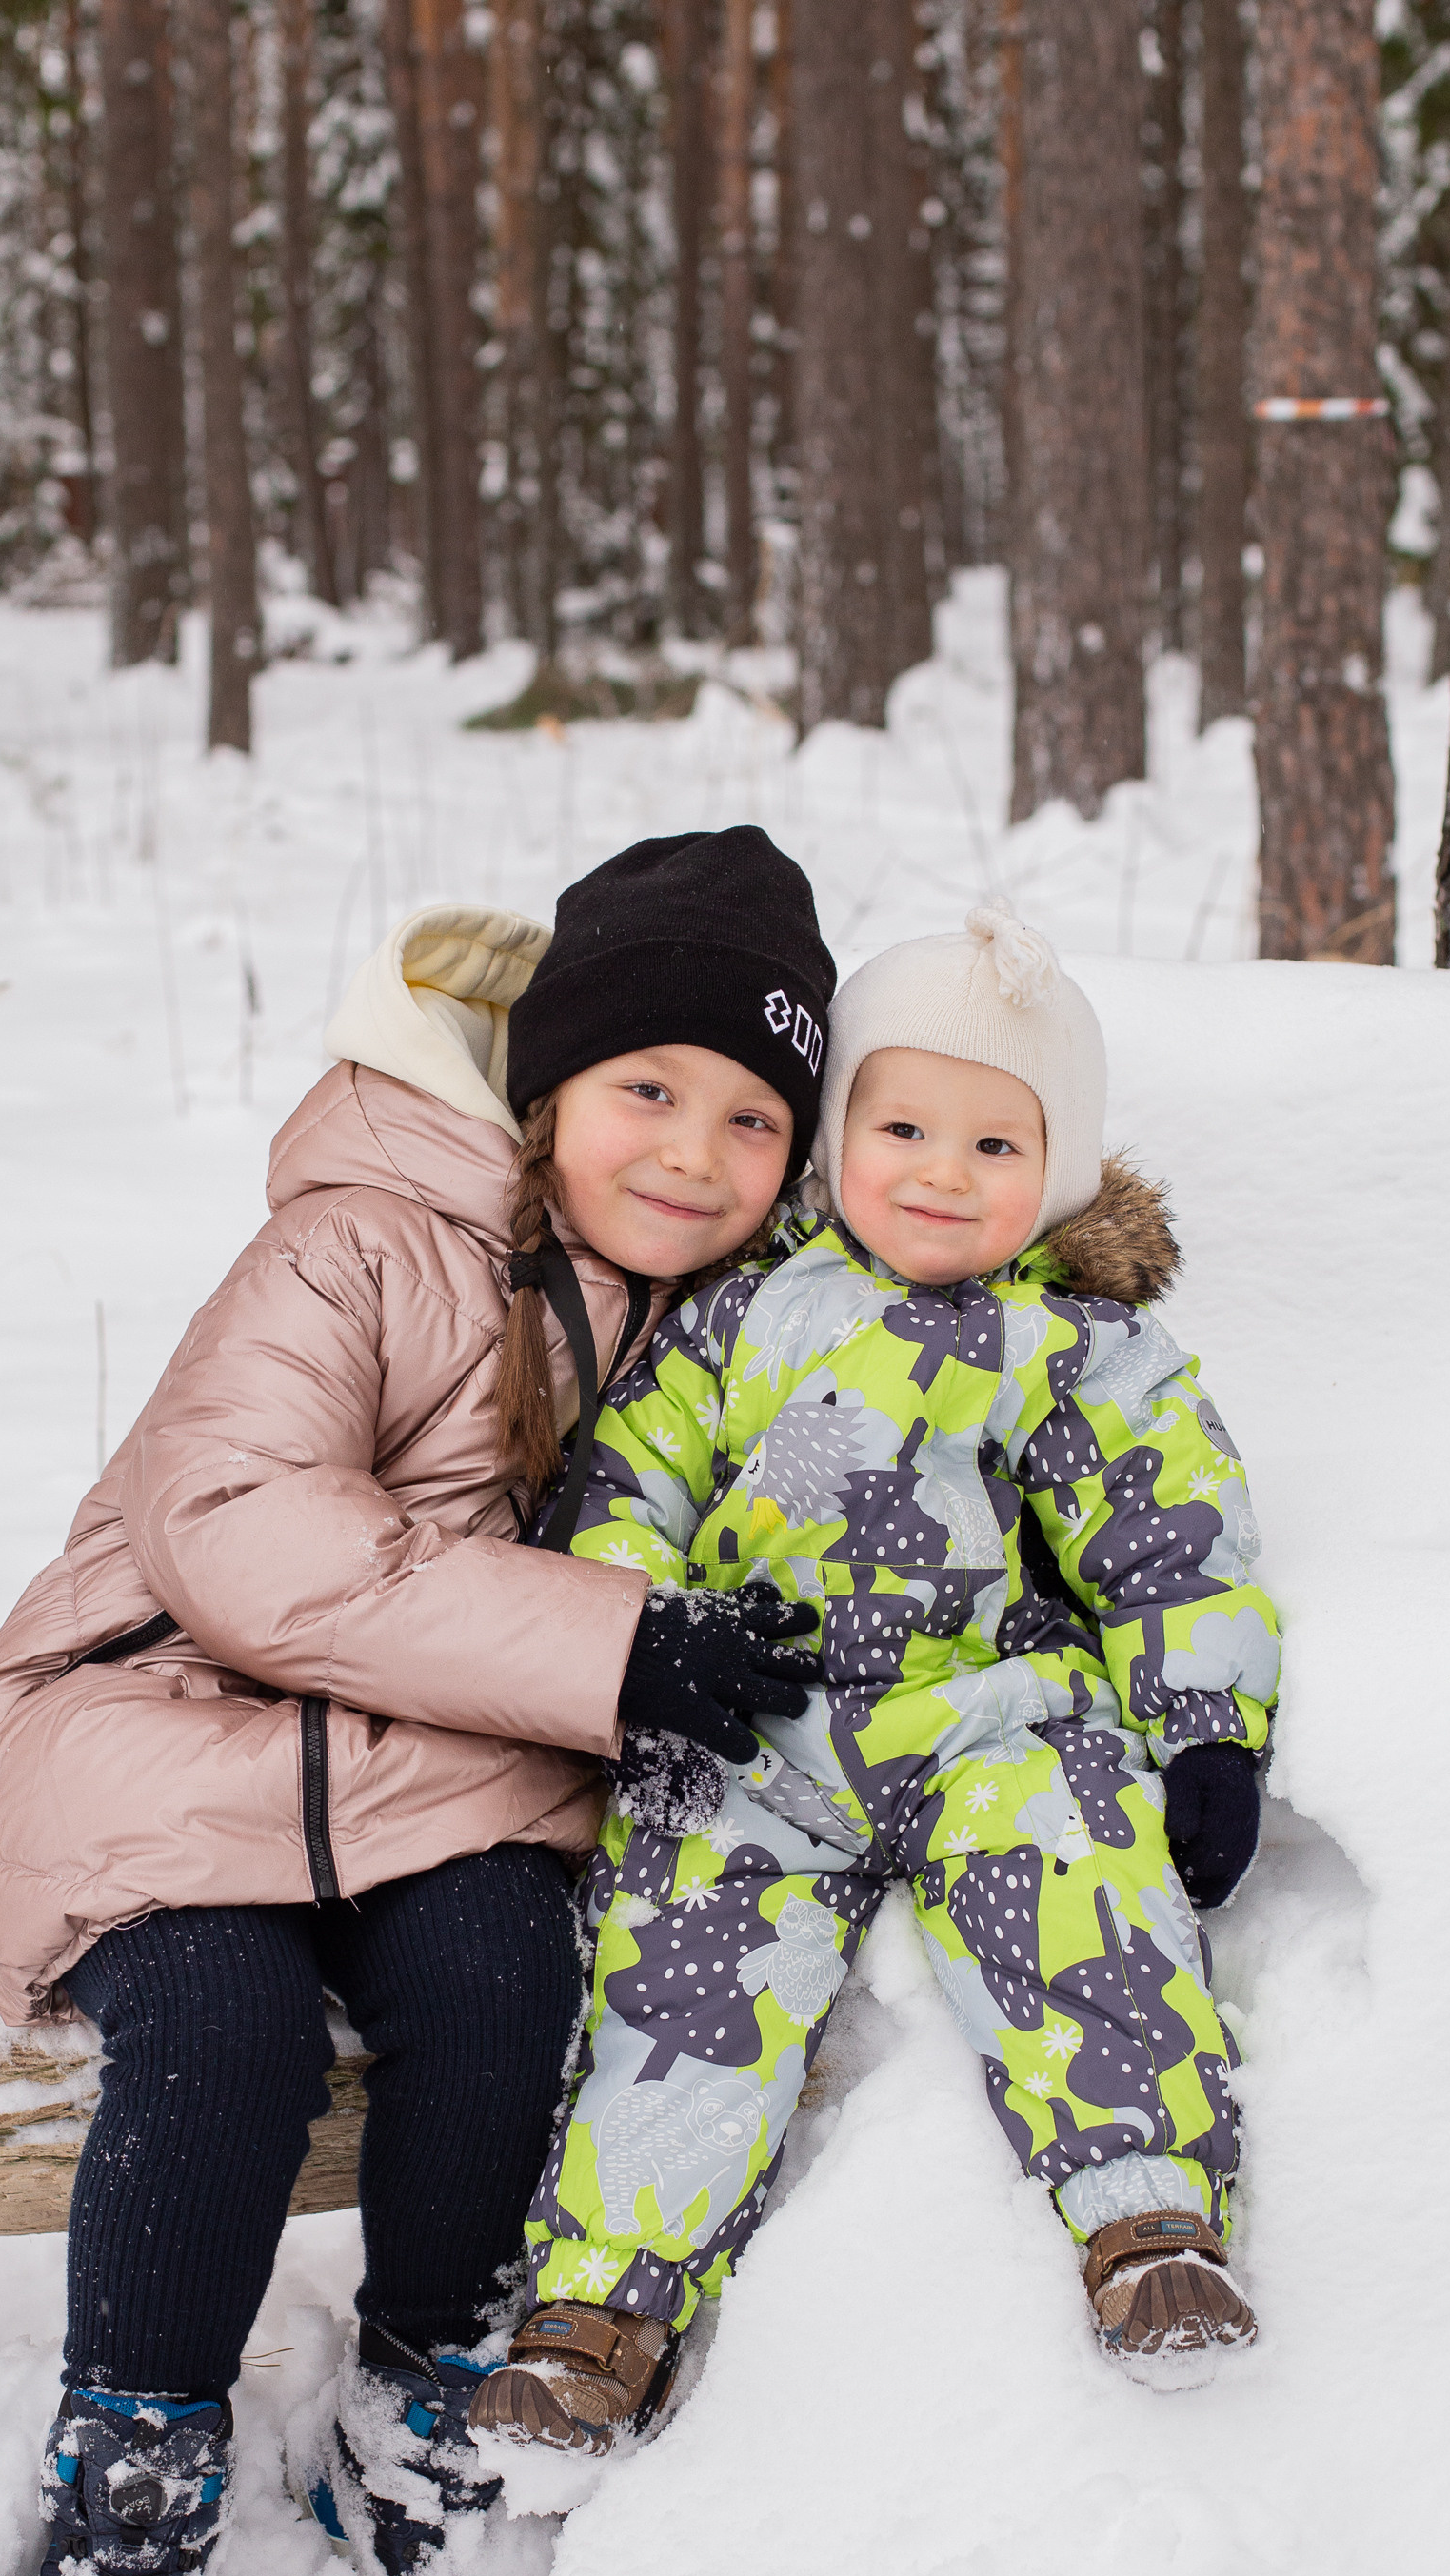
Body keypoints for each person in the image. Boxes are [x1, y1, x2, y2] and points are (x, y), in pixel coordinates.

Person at [0, 830, 834, 2576]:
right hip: (157, 1736)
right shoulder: (356, 1238)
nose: (692, 1150)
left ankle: (417, 2404)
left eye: (755, 1115)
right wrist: (615, 1648)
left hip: (435, 1775)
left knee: (513, 1979)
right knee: (231, 2026)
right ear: (544, 1089)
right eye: (646, 1091)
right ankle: (136, 2480)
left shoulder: (742, 1324)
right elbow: (246, 1531)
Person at [469, 902, 1281, 2459]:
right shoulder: (738, 1315)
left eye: (994, 1146)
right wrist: (637, 1636)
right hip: (756, 1733)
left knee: (1084, 1889)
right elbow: (627, 1486)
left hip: (986, 1720)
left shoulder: (1075, 1345)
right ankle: (600, 2306)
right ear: (838, 1132)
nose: (938, 1173)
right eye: (901, 1126)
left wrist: (1200, 1731)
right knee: (680, 1980)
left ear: (1053, 1173)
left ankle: (1148, 2221)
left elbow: (1169, 1544)